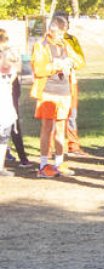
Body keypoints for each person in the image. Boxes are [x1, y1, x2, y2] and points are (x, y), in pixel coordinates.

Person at [31, 16, 82, 177]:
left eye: (64, 33)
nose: (62, 37)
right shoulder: (41, 46)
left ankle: (59, 163)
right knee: (47, 128)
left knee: (61, 128)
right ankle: (43, 165)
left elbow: (80, 61)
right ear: (51, 30)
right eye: (60, 33)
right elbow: (38, 69)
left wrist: (70, 63)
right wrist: (55, 66)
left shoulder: (66, 45)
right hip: (48, 92)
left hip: (64, 91)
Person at [0, 29, 30, 170]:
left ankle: (19, 156)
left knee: (12, 123)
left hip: (10, 91)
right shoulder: (5, 53)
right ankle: (19, 157)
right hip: (6, 92)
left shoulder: (8, 53)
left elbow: (14, 68)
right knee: (11, 123)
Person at [61, 16, 85, 154]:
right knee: (54, 115)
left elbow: (81, 61)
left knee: (72, 114)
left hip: (71, 81)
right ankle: (53, 145)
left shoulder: (72, 40)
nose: (66, 26)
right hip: (53, 82)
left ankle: (73, 145)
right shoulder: (46, 41)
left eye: (66, 23)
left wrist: (69, 51)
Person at [0, 30, 20, 176]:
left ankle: (0, 166)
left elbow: (14, 69)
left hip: (5, 98)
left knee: (5, 133)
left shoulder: (8, 55)